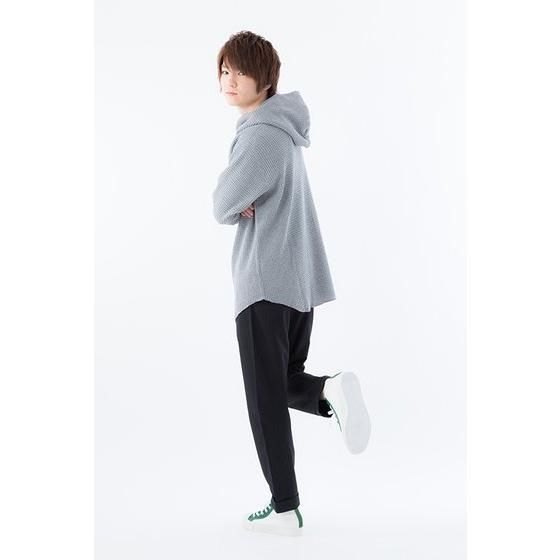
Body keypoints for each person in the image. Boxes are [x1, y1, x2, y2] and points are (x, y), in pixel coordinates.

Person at [212, 30, 371, 537]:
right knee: (281, 384)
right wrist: (240, 199)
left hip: (264, 282)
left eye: (239, 70)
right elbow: (239, 200)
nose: (229, 79)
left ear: (265, 79)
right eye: (224, 70)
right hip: (295, 284)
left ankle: (285, 509)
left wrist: (234, 200)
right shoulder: (284, 131)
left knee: (264, 399)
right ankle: (330, 392)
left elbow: (221, 203)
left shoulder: (261, 133)